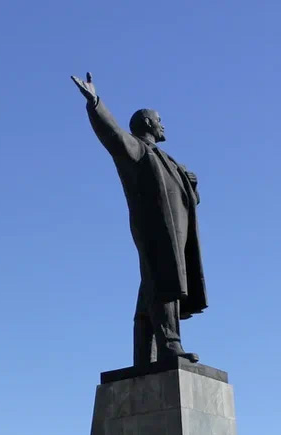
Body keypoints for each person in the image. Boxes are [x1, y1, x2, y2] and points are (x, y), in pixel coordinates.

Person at [71, 72, 207, 367]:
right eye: (159, 119)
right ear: (147, 123)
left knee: (153, 289)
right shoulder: (137, 150)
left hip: (177, 237)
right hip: (156, 232)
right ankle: (170, 344)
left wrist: (190, 184)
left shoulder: (167, 160)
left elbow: (188, 201)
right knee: (162, 280)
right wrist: (95, 102)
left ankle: (145, 356)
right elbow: (112, 135)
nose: (163, 124)